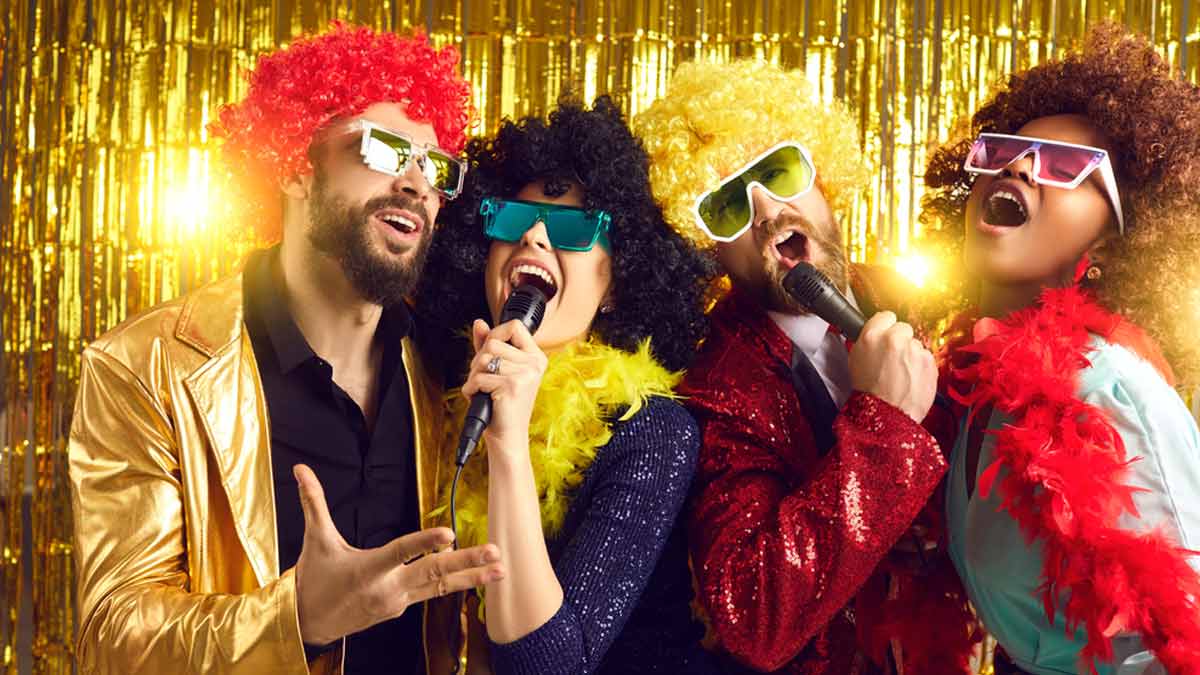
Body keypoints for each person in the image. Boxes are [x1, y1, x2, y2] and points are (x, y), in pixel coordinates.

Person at [68, 25, 503, 675]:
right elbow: (112, 639)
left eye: (435, 166)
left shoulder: (448, 370)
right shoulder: (145, 366)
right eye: (385, 150)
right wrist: (297, 619)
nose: (417, 183)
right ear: (296, 167)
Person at [633, 60, 978, 674]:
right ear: (704, 246)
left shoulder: (918, 302)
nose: (768, 209)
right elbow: (751, 618)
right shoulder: (715, 385)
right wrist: (884, 426)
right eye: (726, 205)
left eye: (778, 172)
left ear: (823, 181)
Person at [922, 24, 1200, 675]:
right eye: (1003, 151)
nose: (1017, 166)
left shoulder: (1110, 387)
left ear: (1109, 245)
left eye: (1067, 166)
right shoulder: (973, 387)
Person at [413, 96, 720, 675]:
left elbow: (549, 666)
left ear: (618, 282)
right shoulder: (439, 398)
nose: (533, 236)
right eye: (513, 219)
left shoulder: (652, 432)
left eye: (573, 227)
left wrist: (507, 444)